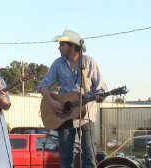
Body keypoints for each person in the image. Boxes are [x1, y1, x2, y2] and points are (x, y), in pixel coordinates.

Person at [37, 30, 107, 168]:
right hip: (63, 116)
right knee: (65, 160)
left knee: (89, 159)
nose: (59, 47)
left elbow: (101, 88)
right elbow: (43, 86)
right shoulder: (58, 64)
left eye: (62, 44)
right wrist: (52, 101)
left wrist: (99, 96)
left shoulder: (90, 63)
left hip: (86, 116)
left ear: (72, 46)